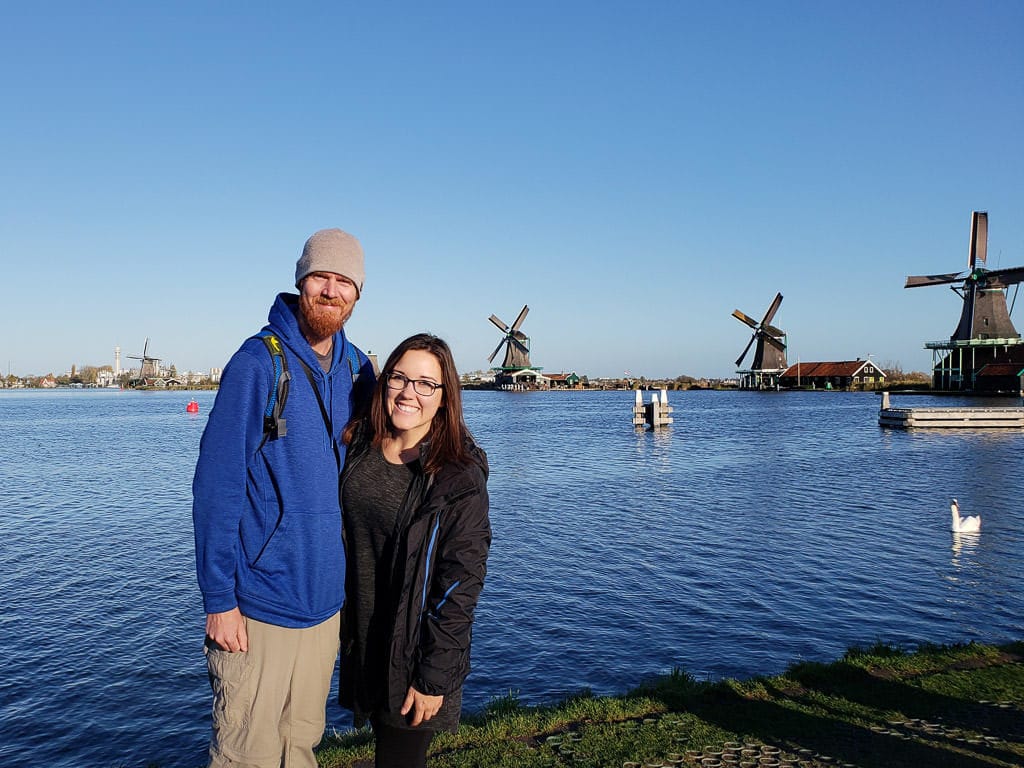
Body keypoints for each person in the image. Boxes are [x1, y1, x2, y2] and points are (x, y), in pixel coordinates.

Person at [192, 228, 375, 768]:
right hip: (258, 606)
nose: (331, 290)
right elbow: (216, 487)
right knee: (246, 752)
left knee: (301, 745)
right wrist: (219, 601)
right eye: (322, 276)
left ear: (358, 294)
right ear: (301, 281)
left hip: (324, 607)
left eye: (345, 281)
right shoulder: (257, 363)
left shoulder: (359, 368)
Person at [339, 333, 491, 768]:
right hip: (364, 638)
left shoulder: (458, 479)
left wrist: (433, 677)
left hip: (413, 651)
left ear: (445, 398)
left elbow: (459, 586)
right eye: (399, 378)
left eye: (426, 384)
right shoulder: (363, 444)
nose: (409, 393)